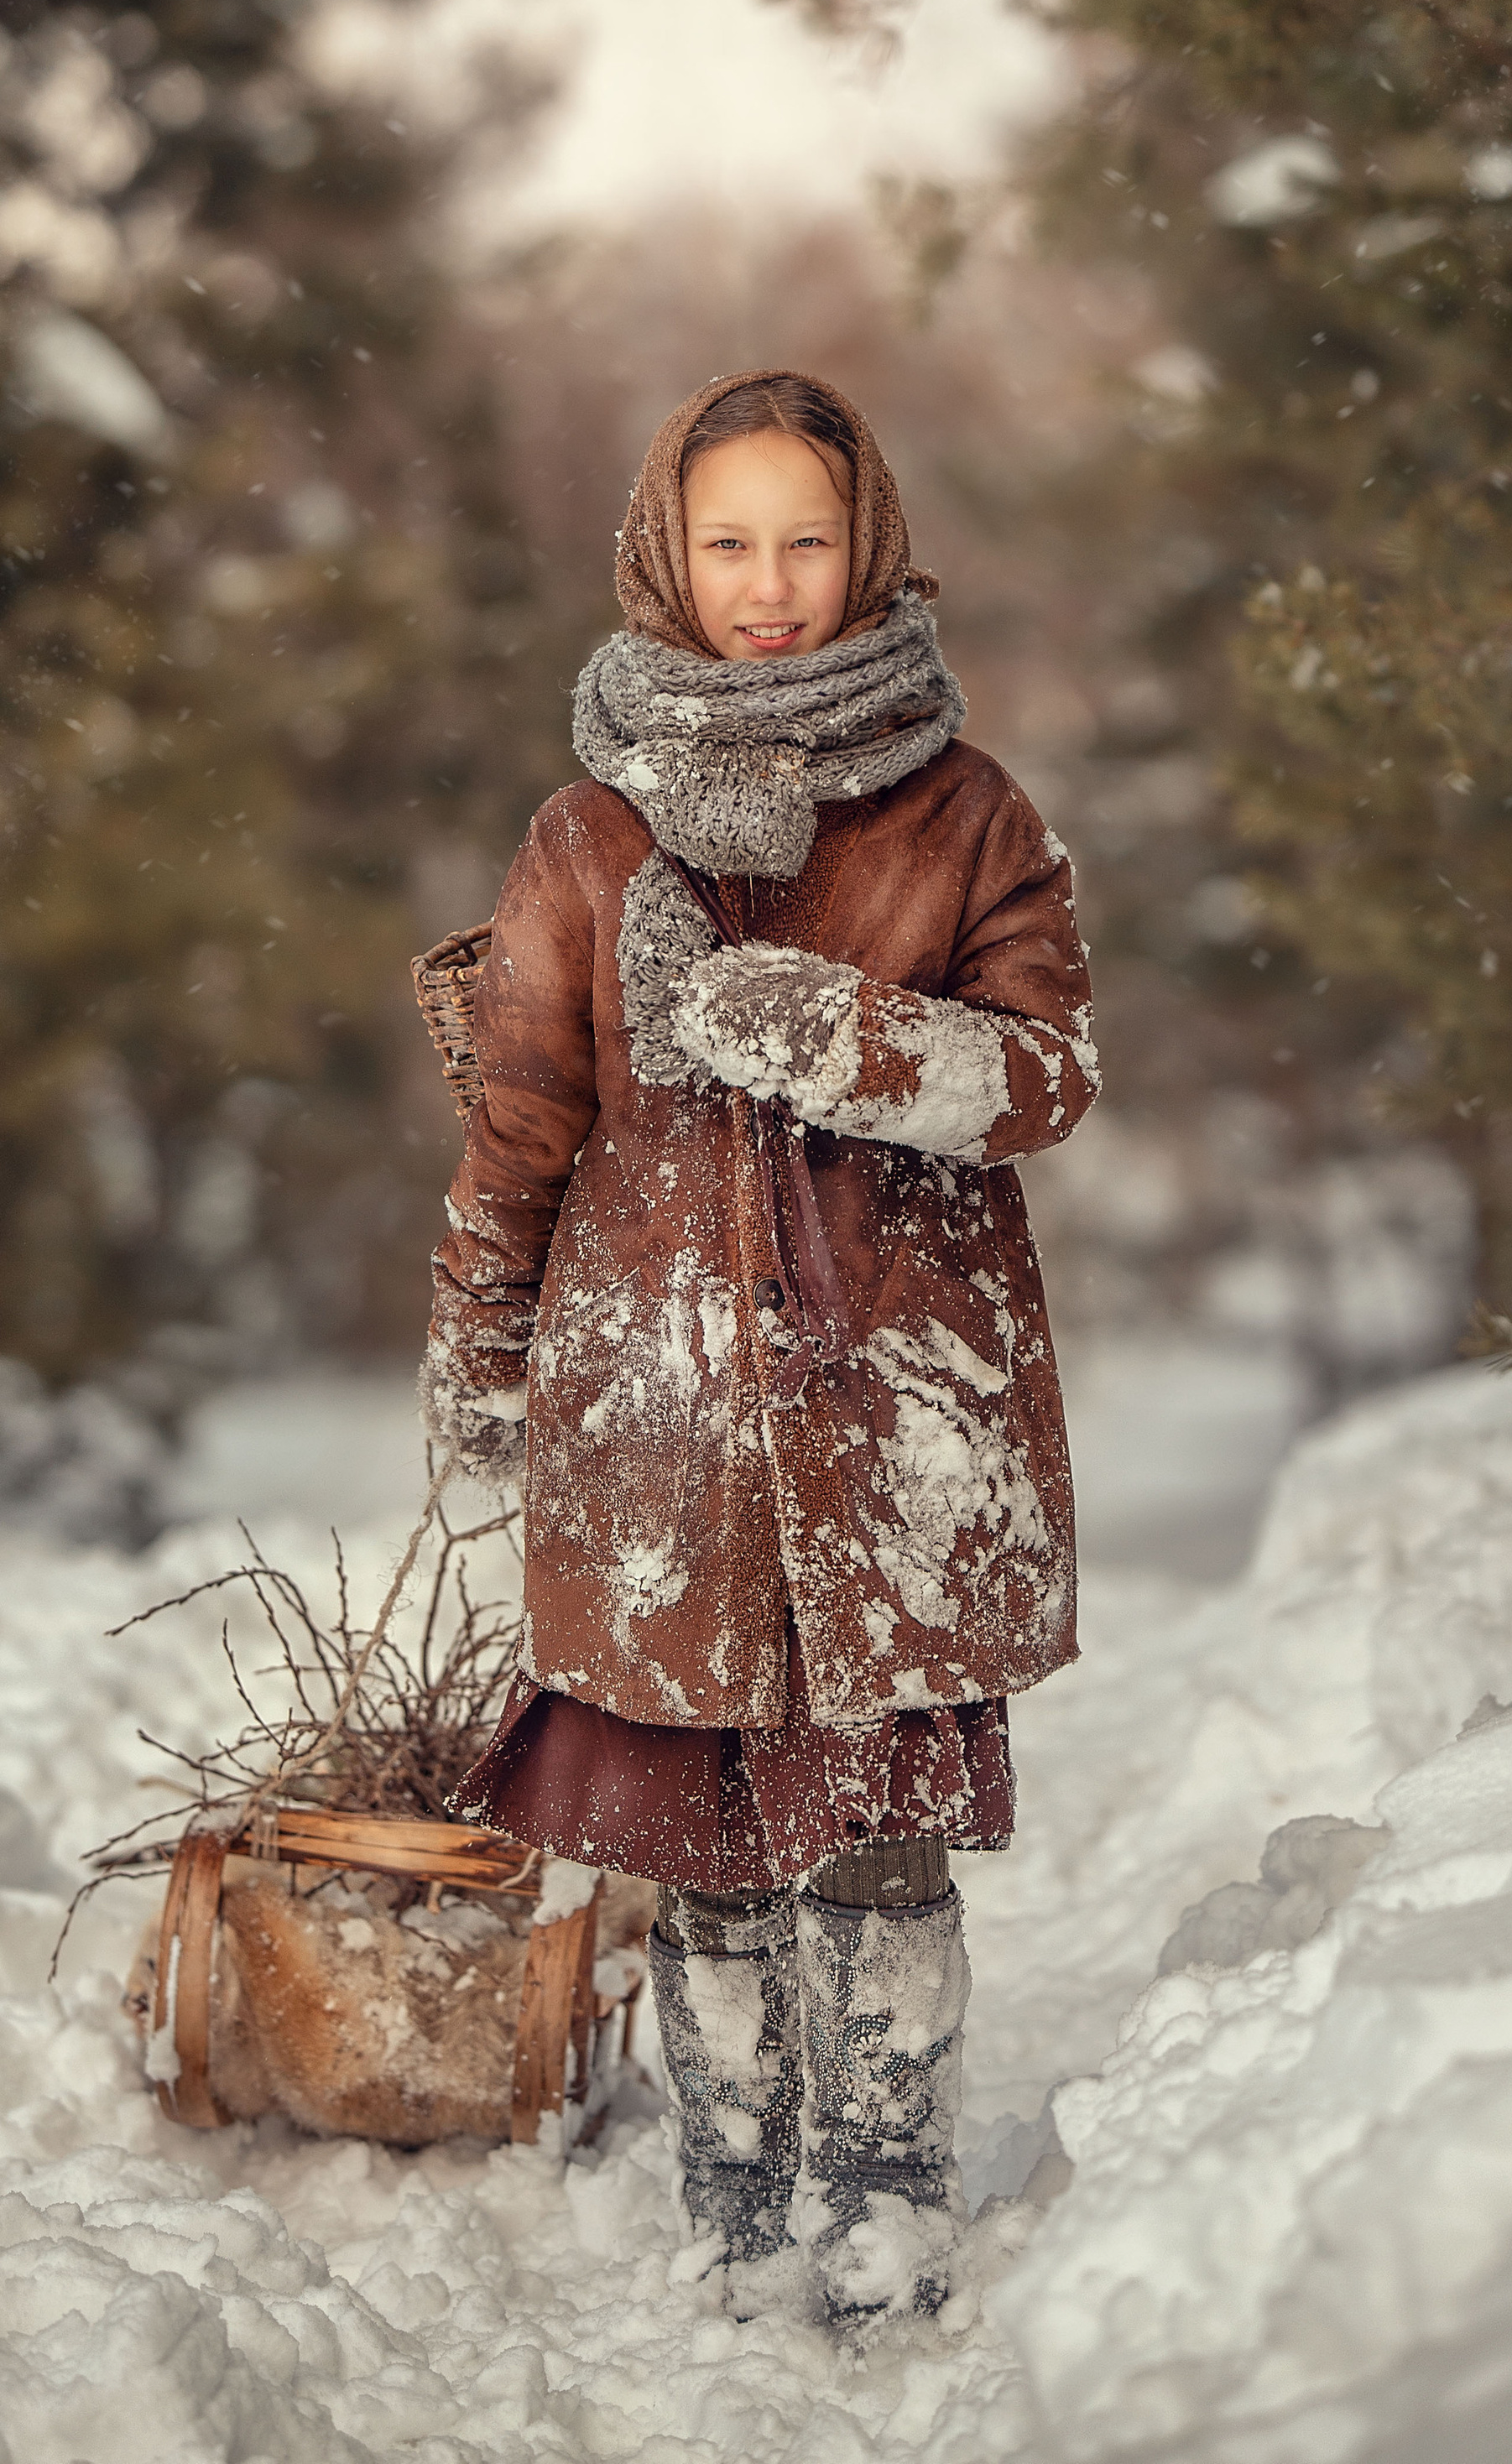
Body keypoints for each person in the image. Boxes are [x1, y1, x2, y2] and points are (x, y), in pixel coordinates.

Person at [420, 367, 1097, 2324]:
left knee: (880, 1839)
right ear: (666, 553)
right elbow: (522, 1128)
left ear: (867, 546)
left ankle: (885, 2202)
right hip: (662, 1420)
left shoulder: (965, 811)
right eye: (728, 542)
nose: (770, 585)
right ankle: (733, 2204)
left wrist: (832, 1035)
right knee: (704, 1846)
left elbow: (1046, 1077)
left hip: (898, 1415)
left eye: (806, 539)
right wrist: (476, 1359)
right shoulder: (587, 835)